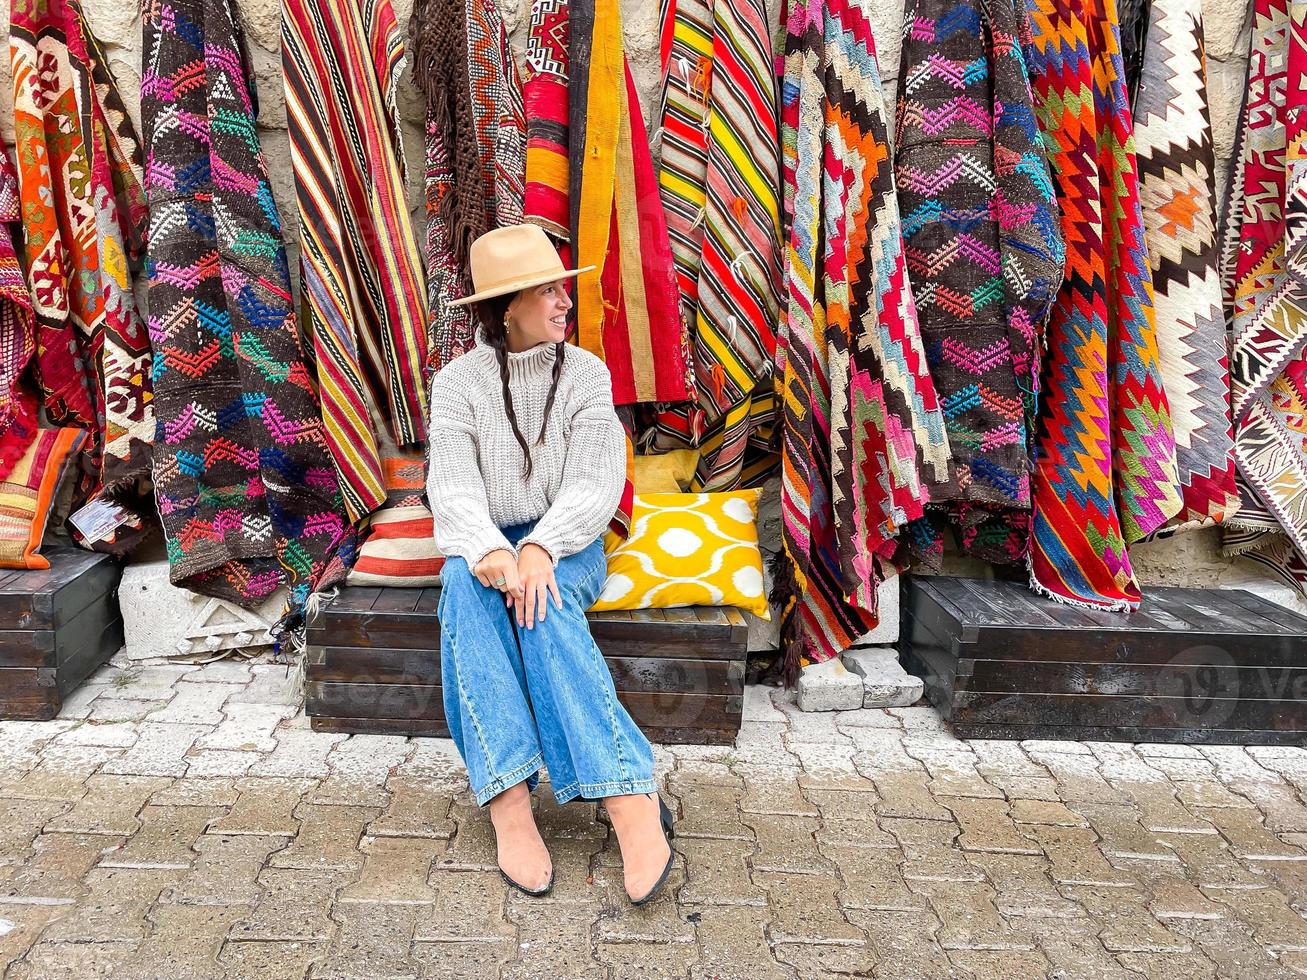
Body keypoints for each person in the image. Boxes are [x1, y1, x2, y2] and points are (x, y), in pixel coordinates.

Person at [425, 224, 674, 904]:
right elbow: (450, 487)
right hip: (488, 537)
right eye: (545, 292)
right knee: (460, 582)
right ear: (504, 306)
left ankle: (627, 798)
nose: (563, 302)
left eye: (562, 288)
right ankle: (509, 803)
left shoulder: (587, 374)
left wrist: (539, 547)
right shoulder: (456, 383)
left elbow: (595, 483)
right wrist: (490, 551)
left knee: (546, 598)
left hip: (569, 541)